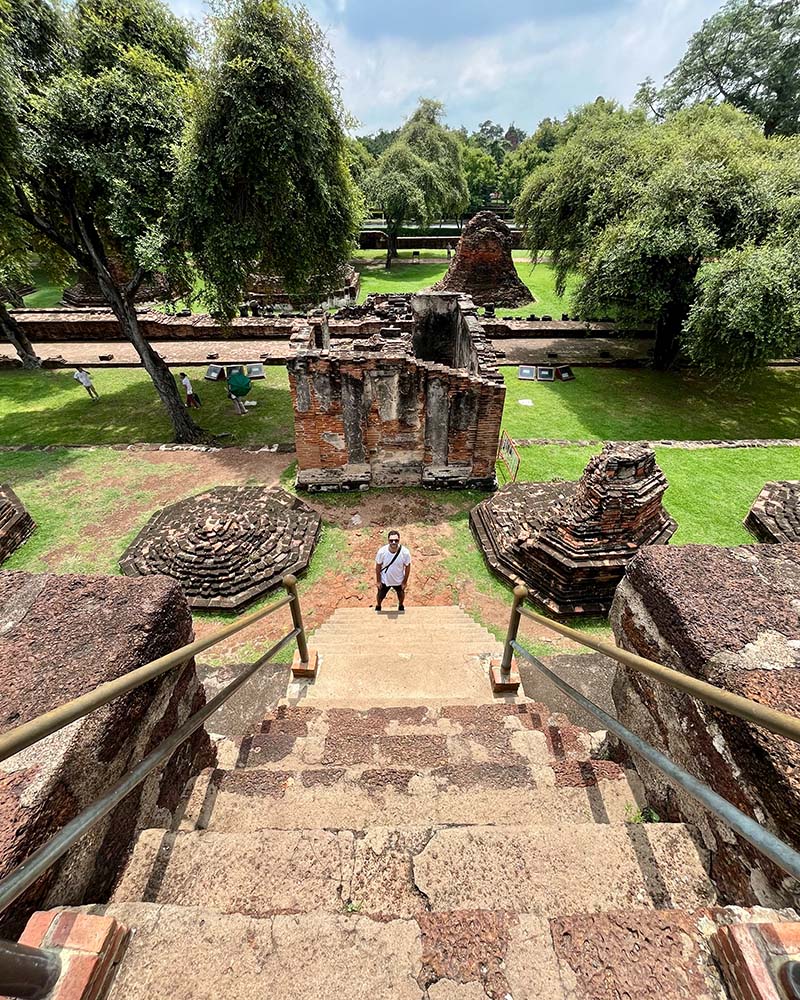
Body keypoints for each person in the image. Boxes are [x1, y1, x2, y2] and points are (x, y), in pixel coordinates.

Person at [375, 530, 411, 613]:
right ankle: (378, 605)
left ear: (399, 540)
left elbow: (408, 567)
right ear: (388, 540)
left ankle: (401, 605)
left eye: (396, 540)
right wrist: (378, 581)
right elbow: (378, 566)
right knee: (380, 595)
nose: (393, 542)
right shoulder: (382, 552)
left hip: (398, 580)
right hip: (385, 580)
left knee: (401, 594)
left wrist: (404, 581)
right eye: (391, 540)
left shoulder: (405, 552)